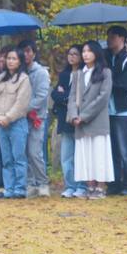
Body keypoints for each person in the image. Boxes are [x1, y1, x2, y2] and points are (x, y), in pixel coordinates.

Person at [68, 41, 114, 200]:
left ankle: (101, 187)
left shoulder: (105, 72)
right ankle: (90, 186)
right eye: (84, 51)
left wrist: (84, 116)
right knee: (85, 154)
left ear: (96, 53)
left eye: (89, 51)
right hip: (79, 122)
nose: (85, 54)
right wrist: (74, 115)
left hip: (98, 121)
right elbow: (72, 97)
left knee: (99, 153)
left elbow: (103, 97)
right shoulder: (78, 74)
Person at [103, 26, 127, 196]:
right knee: (112, 150)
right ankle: (114, 183)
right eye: (108, 37)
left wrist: (109, 83)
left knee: (126, 149)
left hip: (124, 110)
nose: (109, 40)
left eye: (112, 37)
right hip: (108, 110)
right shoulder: (106, 58)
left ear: (121, 38)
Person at [0, 47, 33, 199]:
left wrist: (7, 117)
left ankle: (20, 189)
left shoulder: (24, 79)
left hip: (17, 124)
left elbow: (21, 103)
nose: (10, 61)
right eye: (8, 58)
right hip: (1, 125)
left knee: (18, 157)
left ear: (20, 61)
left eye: (14, 58)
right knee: (6, 159)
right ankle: (9, 189)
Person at [17, 40, 51, 197]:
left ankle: (42, 182)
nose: (26, 54)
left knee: (35, 151)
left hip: (37, 117)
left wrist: (24, 108)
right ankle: (30, 183)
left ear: (34, 53)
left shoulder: (41, 72)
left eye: (29, 51)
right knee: (23, 151)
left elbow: (42, 96)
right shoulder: (19, 71)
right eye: (23, 51)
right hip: (21, 118)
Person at [53, 46, 85, 198]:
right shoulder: (64, 75)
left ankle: (81, 185)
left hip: (79, 119)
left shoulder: (85, 74)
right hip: (64, 120)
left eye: (75, 54)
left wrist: (65, 96)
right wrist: (66, 98)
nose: (72, 57)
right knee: (66, 156)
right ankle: (70, 185)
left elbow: (81, 98)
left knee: (81, 155)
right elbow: (54, 94)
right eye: (70, 53)